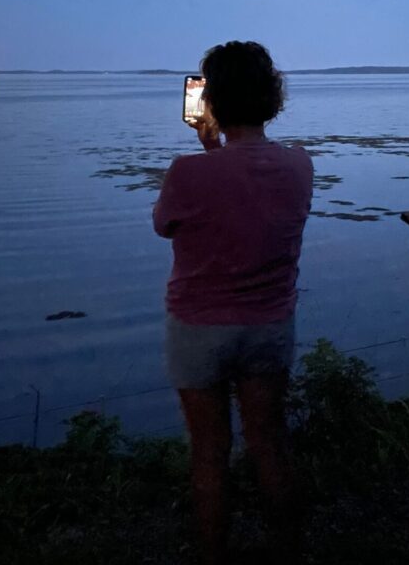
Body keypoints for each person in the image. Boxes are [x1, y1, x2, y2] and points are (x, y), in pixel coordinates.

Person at [153, 41, 313, 565]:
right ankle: (286, 550)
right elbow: (248, 192)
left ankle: (213, 554)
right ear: (271, 98)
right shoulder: (300, 167)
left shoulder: (187, 173)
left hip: (198, 328)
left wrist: (209, 152)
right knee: (269, 443)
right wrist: (217, 151)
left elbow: (165, 225)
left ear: (213, 100)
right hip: (269, 324)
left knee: (209, 452)